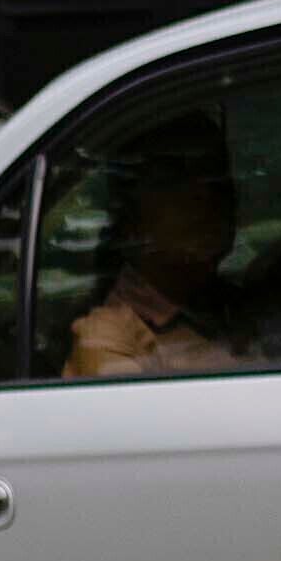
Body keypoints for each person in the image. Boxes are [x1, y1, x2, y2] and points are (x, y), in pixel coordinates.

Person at [62, 115, 246, 377]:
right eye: (174, 178)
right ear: (130, 216)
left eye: (216, 173)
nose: (205, 192)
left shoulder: (240, 303)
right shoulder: (110, 339)